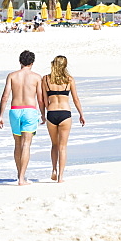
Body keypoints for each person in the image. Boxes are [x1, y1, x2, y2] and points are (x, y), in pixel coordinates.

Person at [0, 50, 44, 185]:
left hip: (15, 111)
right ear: (32, 63)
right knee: (26, 144)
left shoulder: (12, 76)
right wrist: (43, 114)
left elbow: (5, 96)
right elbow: (40, 98)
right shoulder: (36, 77)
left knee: (17, 144)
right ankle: (22, 178)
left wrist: (0, 115)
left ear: (20, 62)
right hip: (30, 111)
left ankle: (19, 175)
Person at [41, 55, 86, 183]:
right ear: (65, 65)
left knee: (54, 144)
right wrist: (81, 114)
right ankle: (60, 177)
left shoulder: (45, 79)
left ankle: (54, 169)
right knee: (63, 146)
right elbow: (76, 99)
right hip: (65, 114)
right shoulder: (69, 80)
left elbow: (44, 100)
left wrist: (43, 115)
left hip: (51, 113)